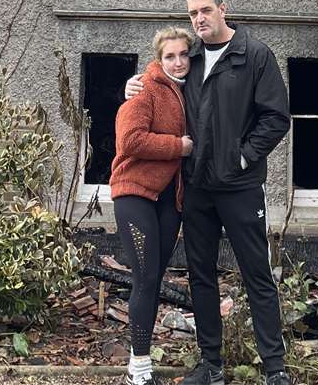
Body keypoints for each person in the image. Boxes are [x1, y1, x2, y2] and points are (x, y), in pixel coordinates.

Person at [128, 0, 292, 385]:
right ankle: (211, 364)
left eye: (205, 10)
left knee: (257, 274)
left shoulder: (254, 55)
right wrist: (132, 86)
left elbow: (276, 118)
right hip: (197, 188)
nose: (198, 19)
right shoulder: (192, 57)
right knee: (201, 275)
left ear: (223, 9)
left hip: (240, 187)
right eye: (192, 14)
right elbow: (159, 76)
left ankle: (275, 369)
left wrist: (241, 155)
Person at [111, 26, 196, 385]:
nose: (177, 62)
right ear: (158, 60)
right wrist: (179, 146)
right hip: (135, 194)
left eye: (182, 55)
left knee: (154, 278)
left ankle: (138, 368)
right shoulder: (145, 88)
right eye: (169, 56)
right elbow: (129, 140)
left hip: (169, 199)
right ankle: (140, 371)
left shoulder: (193, 88)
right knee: (145, 279)